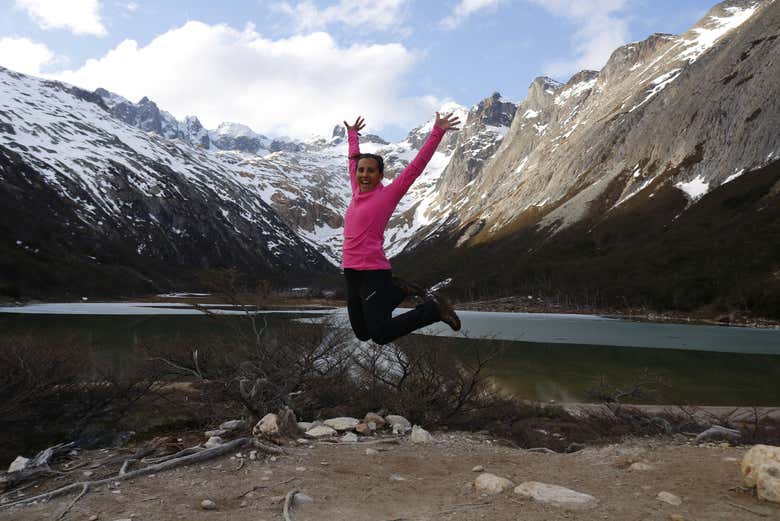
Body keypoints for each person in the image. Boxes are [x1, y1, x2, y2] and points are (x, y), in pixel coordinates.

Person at [342, 112, 462, 345]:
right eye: (361, 170)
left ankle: (433, 310)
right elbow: (352, 160)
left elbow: (416, 167)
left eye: (371, 171)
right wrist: (352, 134)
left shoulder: (388, 195)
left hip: (372, 272)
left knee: (380, 334)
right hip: (350, 271)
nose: (364, 174)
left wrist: (437, 132)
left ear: (380, 175)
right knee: (363, 333)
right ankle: (398, 291)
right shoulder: (356, 191)